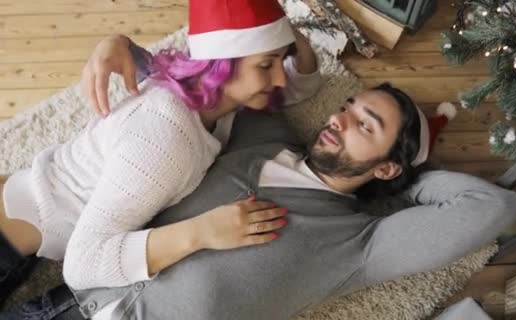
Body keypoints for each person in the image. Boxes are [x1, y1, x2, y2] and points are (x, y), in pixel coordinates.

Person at [1, 83, 516, 320]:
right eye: (348, 106)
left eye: (367, 125)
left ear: (387, 165)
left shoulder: (362, 243)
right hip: (64, 302)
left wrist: (399, 183)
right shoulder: (264, 138)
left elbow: (491, 208)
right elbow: (257, 70)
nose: (339, 119)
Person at [0, 0, 321, 301]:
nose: (279, 77)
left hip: (23, 220)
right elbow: (82, 265)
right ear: (220, 65)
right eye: (266, 65)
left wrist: (279, 26)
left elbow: (304, 84)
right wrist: (202, 232)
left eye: (282, 58)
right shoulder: (167, 140)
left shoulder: (212, 94)